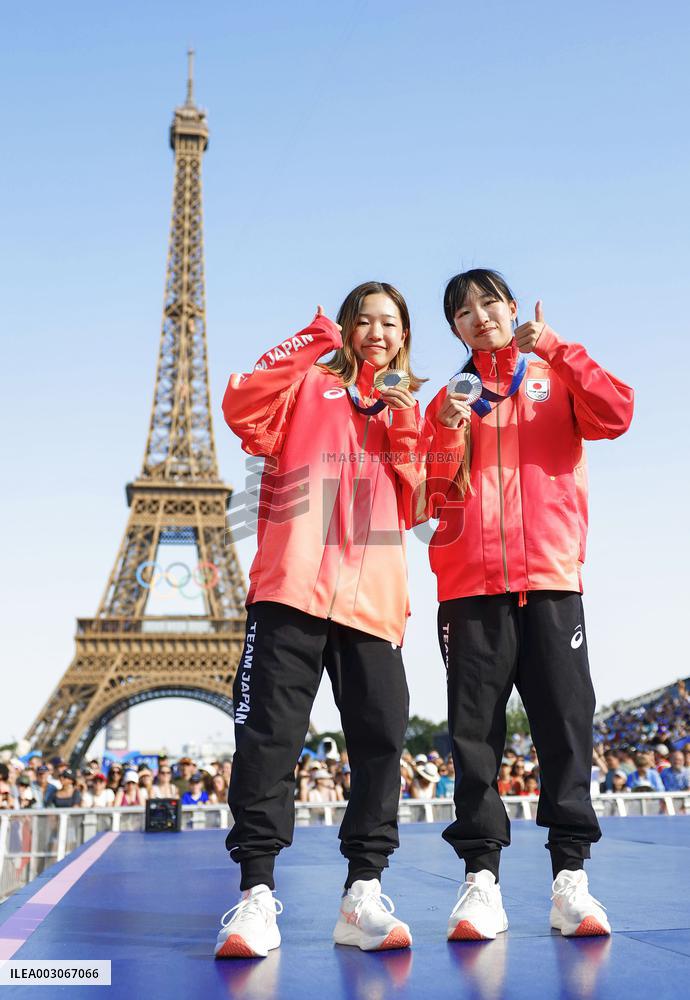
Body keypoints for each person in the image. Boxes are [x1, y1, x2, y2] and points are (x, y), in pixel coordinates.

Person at [215, 283, 438, 960]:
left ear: (404, 336)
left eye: (389, 322)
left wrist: (403, 418)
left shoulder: (412, 407)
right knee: (269, 741)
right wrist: (310, 339)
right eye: (362, 319)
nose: (376, 330)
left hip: (372, 598)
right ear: (345, 328)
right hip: (292, 585)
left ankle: (361, 892)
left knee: (381, 741)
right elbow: (240, 402)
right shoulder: (308, 382)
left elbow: (424, 500)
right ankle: (256, 895)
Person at [422, 268, 633, 941]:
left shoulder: (553, 372)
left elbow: (617, 415)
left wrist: (560, 346)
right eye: (463, 311)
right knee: (475, 736)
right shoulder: (447, 398)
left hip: (548, 580)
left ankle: (570, 878)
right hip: (469, 588)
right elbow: (426, 498)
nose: (479, 316)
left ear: (512, 308)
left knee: (565, 727)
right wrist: (446, 436)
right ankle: (480, 882)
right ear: (453, 328)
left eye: (489, 303)